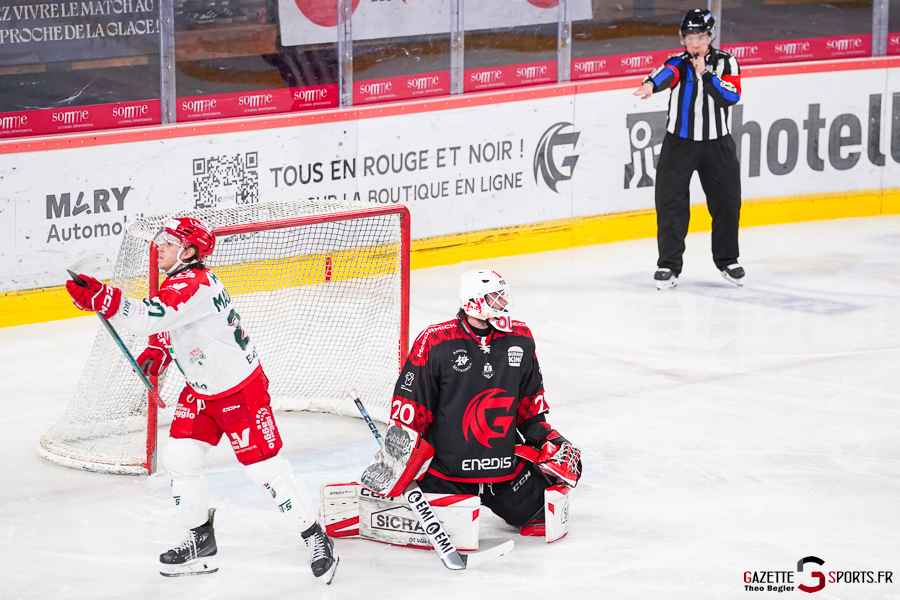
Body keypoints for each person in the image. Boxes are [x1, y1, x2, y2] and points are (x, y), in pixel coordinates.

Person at [65, 217, 338, 583]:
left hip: (240, 391)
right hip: (201, 389)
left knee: (264, 470)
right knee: (180, 458)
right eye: (161, 239)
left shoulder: (193, 284)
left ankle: (316, 537)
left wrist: (105, 297)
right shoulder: (182, 281)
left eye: (169, 241)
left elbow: (150, 317)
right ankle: (201, 542)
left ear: (189, 252)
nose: (159, 246)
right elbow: (170, 324)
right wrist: (158, 351)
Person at [358, 269, 582, 537]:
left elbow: (529, 411)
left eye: (502, 295)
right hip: (445, 474)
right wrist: (396, 467)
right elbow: (410, 413)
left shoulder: (520, 339)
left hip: (502, 471)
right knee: (424, 519)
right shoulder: (435, 341)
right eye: (494, 297)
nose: (503, 303)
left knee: (541, 514)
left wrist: (551, 441)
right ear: (474, 302)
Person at [633, 8, 744, 290]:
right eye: (690, 37)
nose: (695, 44)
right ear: (683, 39)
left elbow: (730, 97)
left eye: (701, 37)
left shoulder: (727, 63)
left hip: (717, 145)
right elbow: (665, 74)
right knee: (671, 205)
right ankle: (668, 265)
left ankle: (727, 260)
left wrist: (705, 74)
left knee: (727, 203)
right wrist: (649, 85)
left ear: (711, 37)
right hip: (679, 146)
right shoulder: (679, 63)